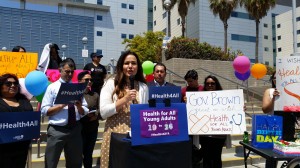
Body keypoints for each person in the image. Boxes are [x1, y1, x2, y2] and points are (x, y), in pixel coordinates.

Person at [99, 50, 149, 168]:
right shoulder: (110, 83)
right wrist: (124, 100)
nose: (130, 66)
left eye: (133, 63)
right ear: (121, 66)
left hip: (136, 135)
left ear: (138, 67)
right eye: (127, 63)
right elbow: (103, 112)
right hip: (114, 133)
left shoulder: (143, 87)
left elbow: (145, 112)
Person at [41, 59, 89, 168]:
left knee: (75, 163)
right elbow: (44, 110)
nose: (70, 74)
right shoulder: (52, 87)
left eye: (72, 72)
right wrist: (61, 104)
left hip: (75, 130)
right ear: (60, 70)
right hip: (57, 130)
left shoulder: (78, 87)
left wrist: (79, 106)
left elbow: (85, 110)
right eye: (67, 71)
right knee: (51, 162)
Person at [0, 73, 33, 168]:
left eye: (15, 83)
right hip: (2, 150)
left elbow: (30, 120)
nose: (13, 86)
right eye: (8, 84)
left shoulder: (24, 101)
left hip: (21, 148)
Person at [199, 75, 226, 168]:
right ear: (205, 85)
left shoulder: (224, 98)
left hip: (219, 134)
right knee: (206, 159)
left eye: (212, 83)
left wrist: (240, 108)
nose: (210, 85)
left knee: (217, 158)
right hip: (205, 135)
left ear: (216, 84)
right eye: (207, 84)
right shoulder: (199, 98)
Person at [77, 71, 101, 168]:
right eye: (87, 79)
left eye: (91, 80)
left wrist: (96, 114)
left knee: (88, 153)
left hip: (92, 128)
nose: (90, 81)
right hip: (79, 129)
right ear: (79, 81)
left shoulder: (95, 95)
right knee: (78, 154)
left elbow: (100, 109)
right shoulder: (75, 94)